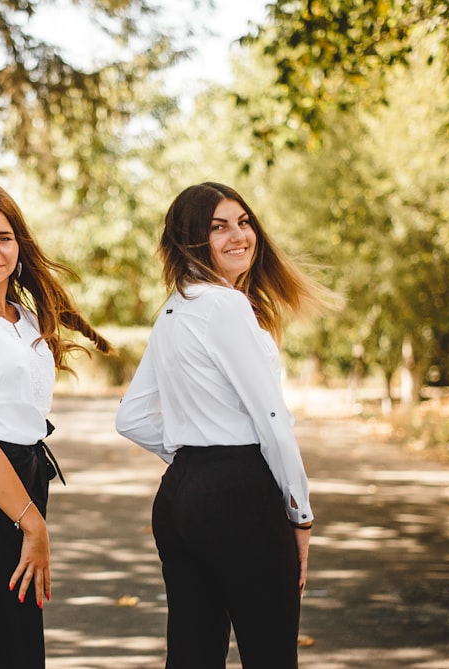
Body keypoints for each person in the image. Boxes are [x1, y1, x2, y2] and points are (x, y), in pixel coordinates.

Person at [116, 182, 336, 668]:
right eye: (218, 227)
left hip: (178, 499)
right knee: (271, 654)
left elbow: (130, 418)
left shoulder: (173, 311)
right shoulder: (226, 305)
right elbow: (272, 418)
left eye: (243, 221)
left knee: (193, 655)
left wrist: (193, 460)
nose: (239, 235)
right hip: (238, 496)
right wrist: (300, 512)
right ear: (190, 239)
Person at [0, 183, 112, 668]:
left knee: (9, 641)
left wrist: (33, 511)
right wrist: (32, 523)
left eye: (4, 238)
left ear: (18, 246)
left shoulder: (25, 318)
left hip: (28, 475)